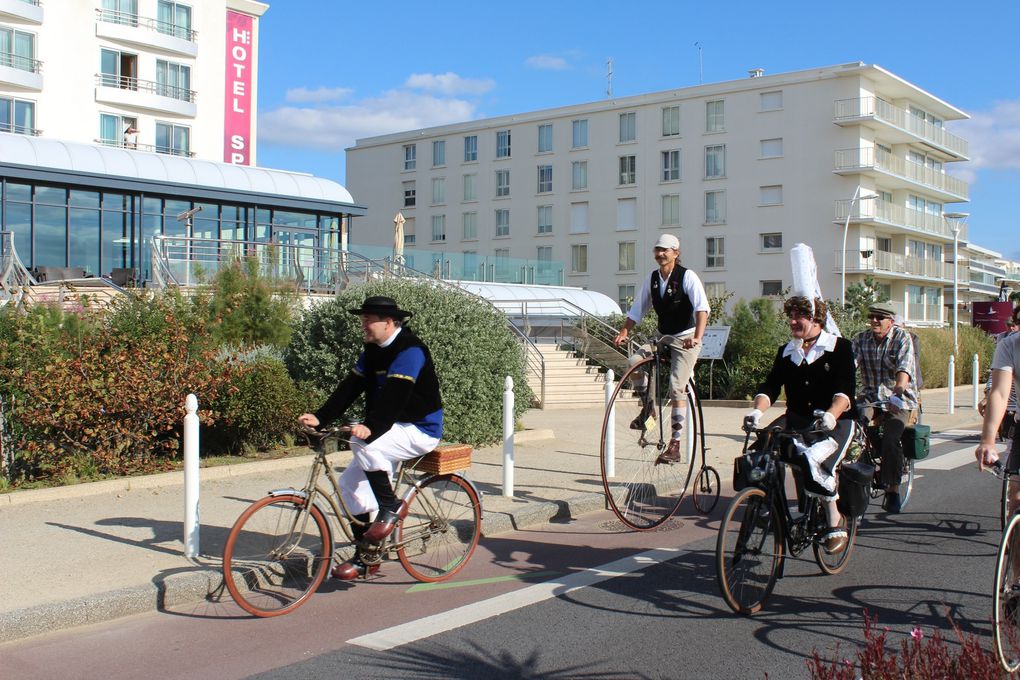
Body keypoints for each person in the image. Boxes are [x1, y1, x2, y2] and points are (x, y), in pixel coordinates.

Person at [297, 296, 443, 580]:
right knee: (349, 486)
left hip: (419, 429)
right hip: (390, 428)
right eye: (362, 320)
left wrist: (372, 427)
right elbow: (352, 385)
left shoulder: (411, 350)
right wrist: (321, 417)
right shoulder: (373, 349)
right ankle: (367, 557)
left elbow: (396, 395)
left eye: (368, 320)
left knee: (362, 441)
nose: (363, 325)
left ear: (388, 323)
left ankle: (390, 507)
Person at [744, 296, 856, 553]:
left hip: (833, 422)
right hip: (797, 419)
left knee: (815, 461)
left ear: (816, 319)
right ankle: (765, 502)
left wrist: (831, 414)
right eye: (791, 316)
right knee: (761, 448)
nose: (793, 322)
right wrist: (757, 411)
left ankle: (833, 519)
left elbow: (844, 390)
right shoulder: (787, 351)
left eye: (799, 317)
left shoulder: (840, 347)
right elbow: (771, 386)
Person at [613, 234, 710, 464]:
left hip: (685, 339)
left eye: (665, 250)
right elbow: (637, 309)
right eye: (657, 250)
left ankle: (675, 444)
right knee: (633, 363)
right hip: (662, 337)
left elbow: (702, 309)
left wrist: (697, 337)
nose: (659, 254)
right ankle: (650, 409)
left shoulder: (687, 276)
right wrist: (625, 331)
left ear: (676, 252)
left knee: (677, 387)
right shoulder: (653, 279)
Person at [852, 301, 918, 513]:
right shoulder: (861, 339)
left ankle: (893, 489)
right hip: (870, 395)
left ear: (890, 321)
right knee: (853, 427)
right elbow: (849, 365)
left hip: (898, 398)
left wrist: (897, 392)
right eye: (871, 316)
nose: (874, 321)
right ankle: (860, 471)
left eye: (879, 317)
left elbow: (904, 369)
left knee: (892, 436)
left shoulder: (902, 338)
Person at [979, 307, 1020, 441]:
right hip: (1013, 413)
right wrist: (987, 442)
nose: (1012, 328)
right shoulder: (1008, 344)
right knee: (1009, 448)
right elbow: (999, 392)